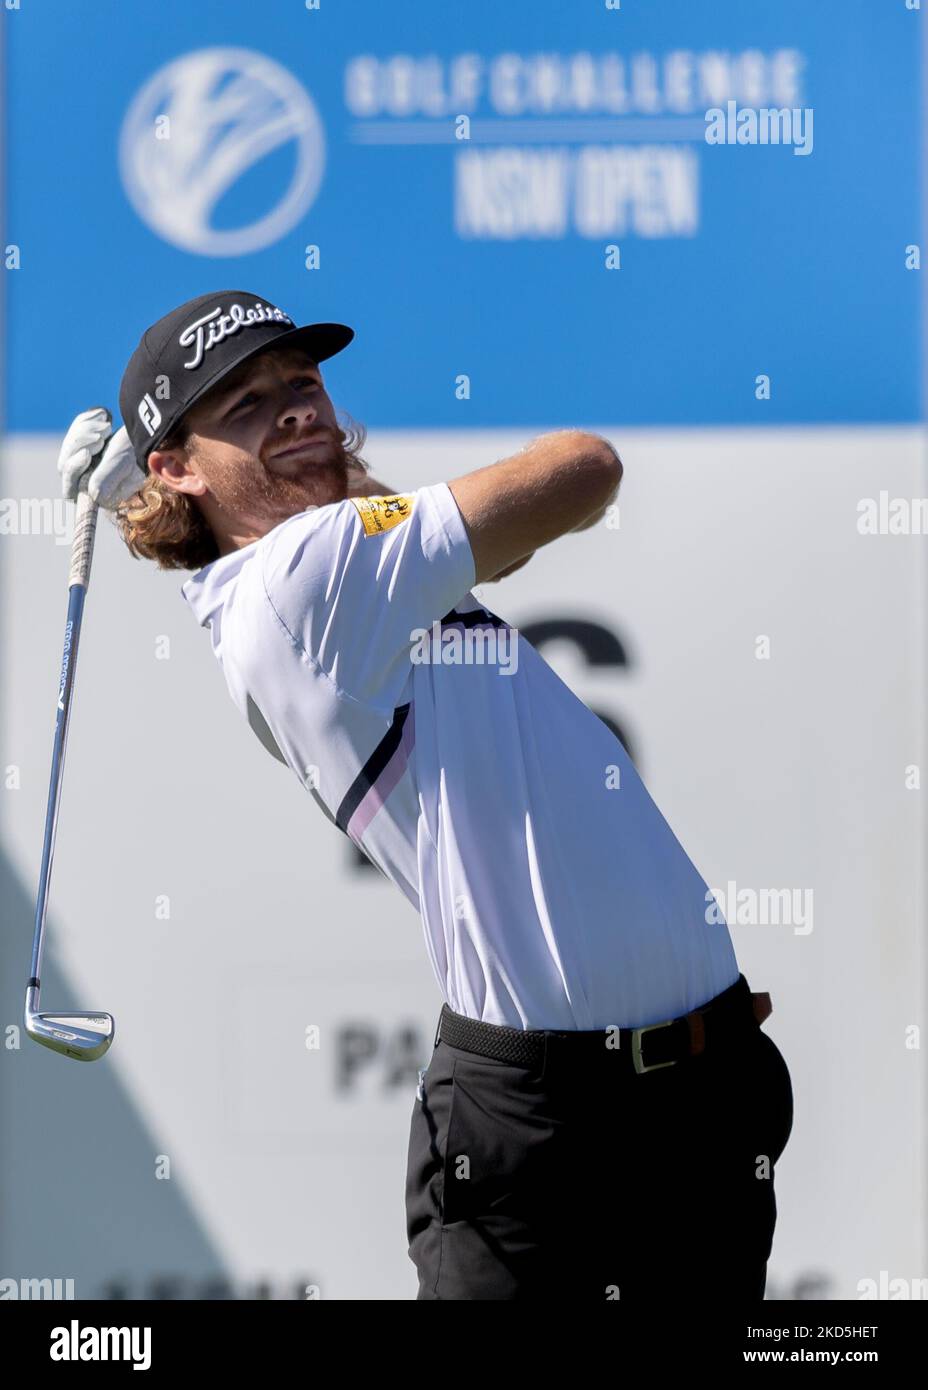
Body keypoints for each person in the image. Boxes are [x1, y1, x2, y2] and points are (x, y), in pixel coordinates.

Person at [58, 289, 794, 1301]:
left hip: (691, 1100)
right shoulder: (304, 577)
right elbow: (583, 471)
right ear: (174, 467)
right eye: (245, 405)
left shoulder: (316, 579)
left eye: (303, 384)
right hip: (546, 1129)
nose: (297, 409)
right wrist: (305, 486)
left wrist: (198, 499)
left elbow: (505, 541)